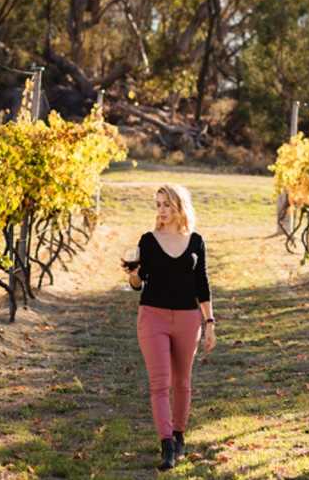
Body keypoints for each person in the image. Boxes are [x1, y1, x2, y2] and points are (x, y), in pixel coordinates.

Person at [122, 184, 216, 471]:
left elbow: (202, 283)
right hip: (153, 317)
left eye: (166, 205)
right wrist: (134, 275)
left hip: (188, 319)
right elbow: (139, 284)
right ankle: (167, 447)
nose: (161, 211)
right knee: (159, 384)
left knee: (182, 383)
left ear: (179, 207)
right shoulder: (148, 241)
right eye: (158, 205)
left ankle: (179, 435)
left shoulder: (196, 240)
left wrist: (209, 322)